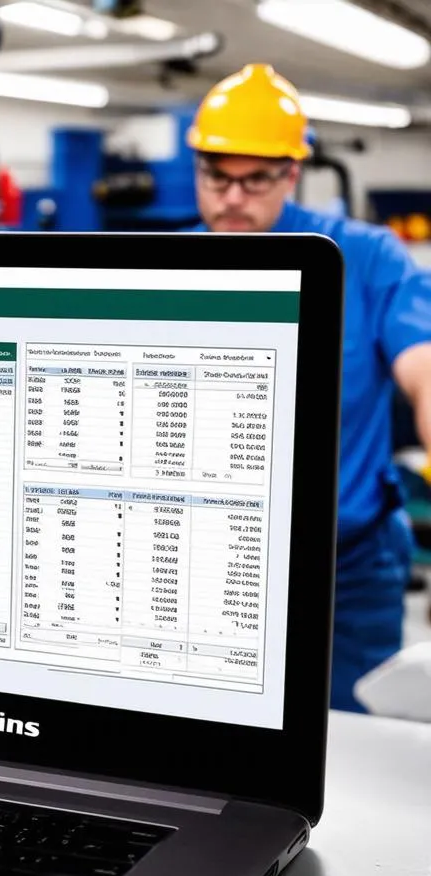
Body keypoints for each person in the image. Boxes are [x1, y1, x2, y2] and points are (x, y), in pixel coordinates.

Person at [185, 63, 431, 713]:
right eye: (217, 175)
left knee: (360, 747)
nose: (232, 196)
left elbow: (424, 370)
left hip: (348, 569)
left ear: (292, 174)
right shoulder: (170, 269)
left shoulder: (367, 257)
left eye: (256, 177)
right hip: (209, 565)